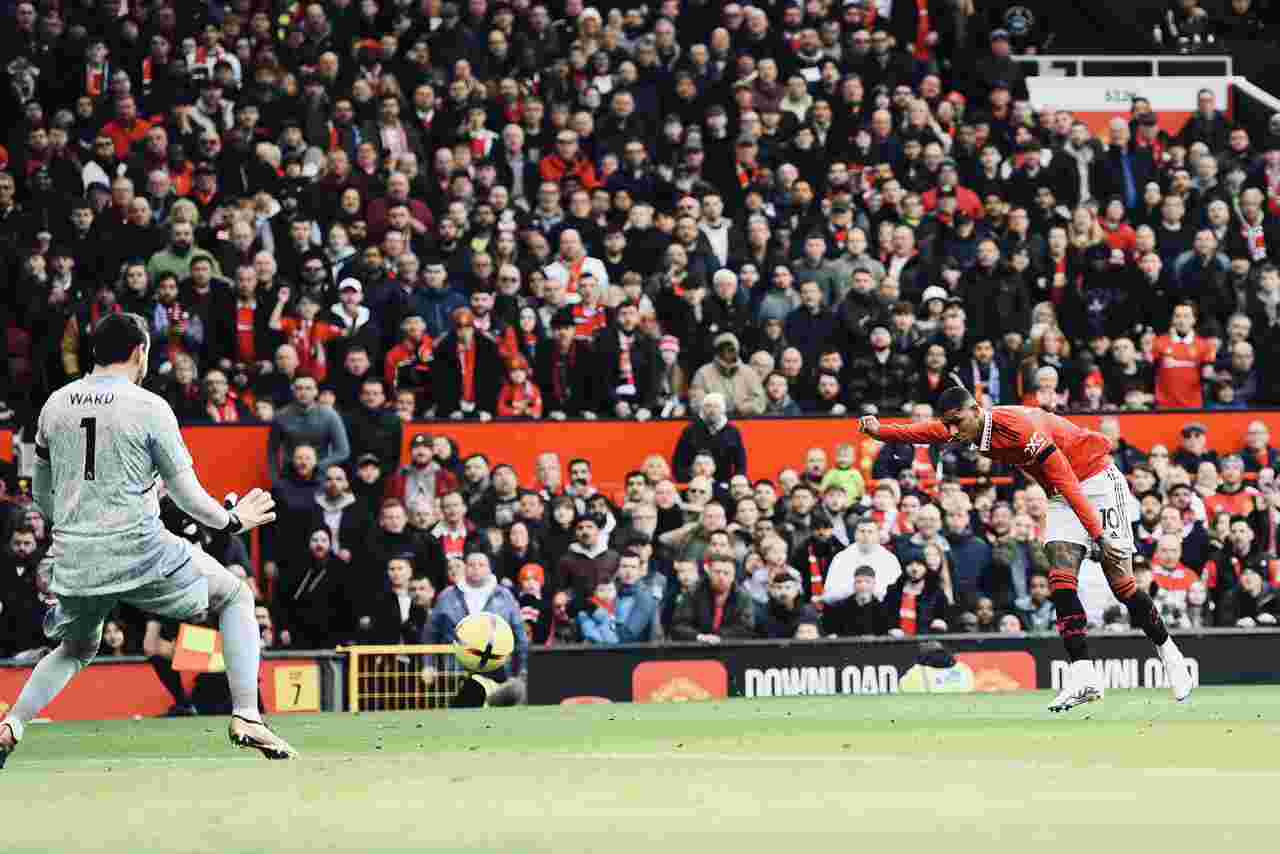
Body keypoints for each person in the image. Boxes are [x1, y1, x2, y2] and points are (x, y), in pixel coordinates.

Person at [3, 313, 293, 768]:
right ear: (140, 352)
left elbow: (42, 494)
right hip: (142, 549)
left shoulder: (55, 405)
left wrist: (75, 530)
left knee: (76, 648)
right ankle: (247, 715)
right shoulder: (149, 407)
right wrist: (232, 520)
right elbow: (187, 495)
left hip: (77, 556)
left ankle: (12, 724)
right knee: (235, 596)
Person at [859, 385, 1193, 711]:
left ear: (976, 410)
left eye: (956, 421)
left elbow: (1064, 476)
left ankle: (1171, 655)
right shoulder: (966, 427)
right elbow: (926, 431)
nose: (951, 431)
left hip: (1095, 480)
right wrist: (880, 432)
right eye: (948, 423)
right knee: (1060, 579)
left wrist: (1097, 533)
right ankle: (1084, 676)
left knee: (1122, 585)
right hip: (1061, 493)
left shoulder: (1017, 428)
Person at [424, 550, 529, 706]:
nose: (476, 568)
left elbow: (520, 635)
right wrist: (428, 664)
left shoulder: (505, 596)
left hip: (496, 668)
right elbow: (430, 634)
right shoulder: (447, 596)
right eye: (471, 564)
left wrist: (523, 668)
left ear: (489, 569)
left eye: (481, 565)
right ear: (465, 568)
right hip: (455, 670)